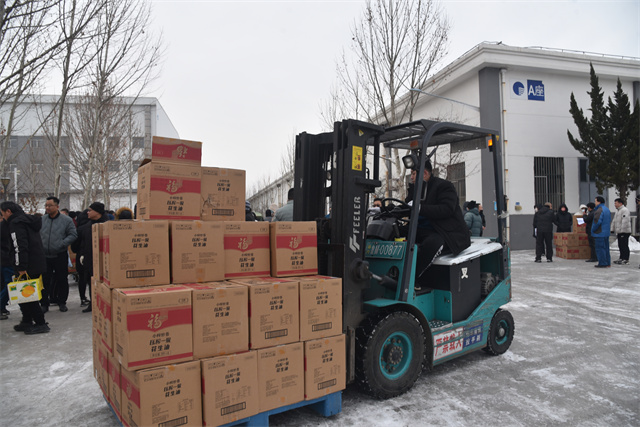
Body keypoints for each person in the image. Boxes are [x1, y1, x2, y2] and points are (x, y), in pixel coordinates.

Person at [412, 160, 470, 277]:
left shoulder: (444, 186)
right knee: (394, 233)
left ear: (424, 173)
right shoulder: (415, 190)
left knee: (433, 243)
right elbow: (407, 207)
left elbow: (447, 209)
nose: (411, 178)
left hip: (445, 232)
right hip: (422, 230)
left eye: (413, 174)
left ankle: (412, 277)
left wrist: (420, 208)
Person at [0, 201, 50, 334]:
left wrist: (20, 266)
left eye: (3, 213)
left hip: (27, 265)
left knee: (28, 294)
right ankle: (27, 320)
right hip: (35, 262)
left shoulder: (16, 223)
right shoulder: (27, 220)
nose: (3, 217)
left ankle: (40, 322)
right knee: (22, 294)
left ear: (8, 211)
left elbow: (19, 246)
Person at [40, 196, 77, 313]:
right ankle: (44, 303)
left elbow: (73, 234)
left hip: (60, 254)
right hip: (45, 256)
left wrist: (62, 244)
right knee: (44, 281)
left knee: (62, 279)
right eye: (46, 205)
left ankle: (62, 302)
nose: (47, 208)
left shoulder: (66, 220)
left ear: (57, 206)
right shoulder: (42, 220)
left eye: (50, 205)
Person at [72, 202, 109, 313]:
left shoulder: (107, 225)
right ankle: (93, 303)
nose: (88, 212)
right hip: (89, 259)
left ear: (97, 212)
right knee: (91, 282)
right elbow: (80, 244)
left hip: (105, 260)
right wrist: (82, 255)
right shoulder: (86, 227)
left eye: (90, 210)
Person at [591, 196, 611, 268]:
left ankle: (602, 263)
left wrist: (593, 229)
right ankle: (607, 262)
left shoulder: (599, 210)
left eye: (595, 201)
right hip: (606, 232)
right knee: (606, 248)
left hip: (599, 233)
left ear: (599, 202)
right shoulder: (607, 209)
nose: (595, 203)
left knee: (600, 249)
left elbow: (597, 222)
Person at [611, 198, 631, 265]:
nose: (615, 204)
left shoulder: (625, 210)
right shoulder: (617, 211)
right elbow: (614, 220)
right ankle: (621, 258)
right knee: (620, 245)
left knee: (624, 245)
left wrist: (622, 231)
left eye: (616, 203)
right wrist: (612, 229)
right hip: (619, 231)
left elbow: (625, 221)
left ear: (620, 203)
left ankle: (626, 259)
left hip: (625, 231)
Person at [1, 218, 13, 319]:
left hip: (6, 259)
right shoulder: (5, 226)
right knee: (10, 284)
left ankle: (2, 306)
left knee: (8, 284)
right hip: (7, 259)